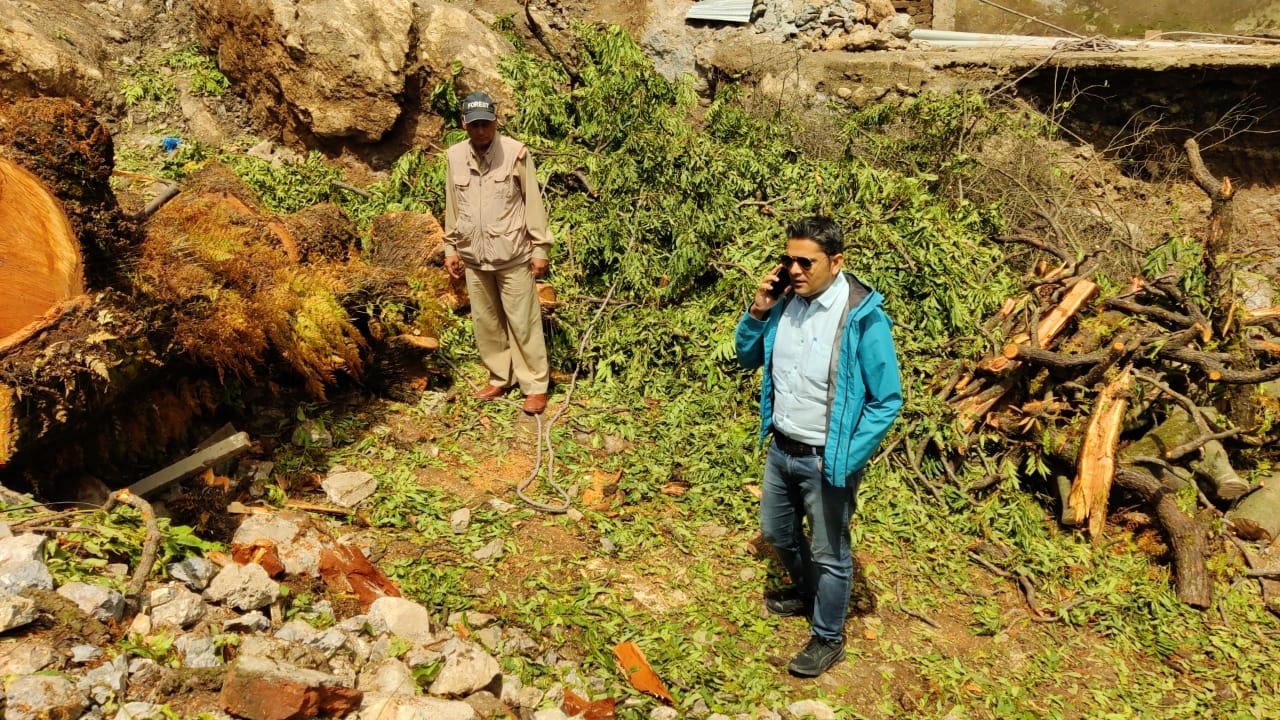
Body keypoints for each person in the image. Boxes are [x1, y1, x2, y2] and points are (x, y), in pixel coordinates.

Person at [734, 216, 903, 677]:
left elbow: (887, 399)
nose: (794, 269)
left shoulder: (861, 317)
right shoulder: (786, 303)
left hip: (827, 458)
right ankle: (808, 593)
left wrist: (844, 458)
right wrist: (759, 310)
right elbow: (747, 356)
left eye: (805, 261)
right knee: (777, 534)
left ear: (837, 261)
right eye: (789, 259)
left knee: (831, 553)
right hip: (782, 447)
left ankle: (828, 636)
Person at [443, 91, 553, 414]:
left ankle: (534, 385)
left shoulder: (516, 153)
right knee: (486, 322)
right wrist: (451, 247)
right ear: (464, 124)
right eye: (474, 125)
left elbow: (532, 201)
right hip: (474, 257)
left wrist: (540, 248)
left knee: (524, 322)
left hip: (513, 254)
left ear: (495, 121)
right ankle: (499, 377)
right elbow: (452, 204)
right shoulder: (453, 156)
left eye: (486, 124)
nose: (481, 131)